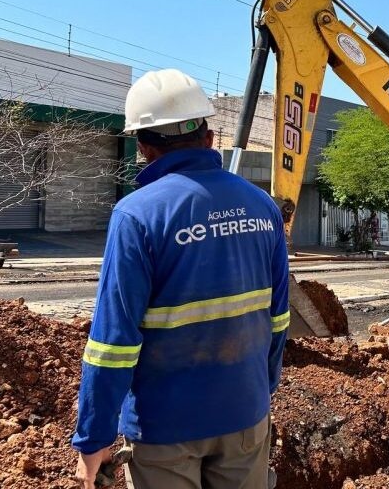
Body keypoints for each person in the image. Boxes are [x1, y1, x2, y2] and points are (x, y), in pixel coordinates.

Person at [72, 68, 289, 489]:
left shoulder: (137, 215)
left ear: (143, 146)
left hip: (164, 427)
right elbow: (278, 319)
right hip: (245, 413)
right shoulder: (262, 206)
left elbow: (112, 344)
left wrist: (94, 438)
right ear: (209, 138)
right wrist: (260, 390)